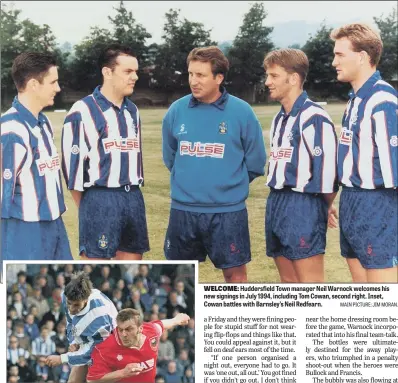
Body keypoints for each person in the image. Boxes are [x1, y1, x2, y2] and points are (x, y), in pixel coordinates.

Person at [162, 46, 267, 283]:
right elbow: (171, 157)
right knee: (180, 276)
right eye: (190, 74)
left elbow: (256, 161)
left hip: (227, 212)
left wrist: (227, 183)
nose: (193, 81)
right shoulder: (176, 111)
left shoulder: (242, 112)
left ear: (218, 78)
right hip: (183, 211)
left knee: (235, 275)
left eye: (200, 75)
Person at [61, 43, 149, 261]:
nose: (135, 77)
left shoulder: (132, 110)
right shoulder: (82, 111)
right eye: (128, 71)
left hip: (133, 196)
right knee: (95, 265)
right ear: (107, 72)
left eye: (136, 71)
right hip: (100, 196)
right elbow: (73, 174)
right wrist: (92, 208)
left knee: (133, 262)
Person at [263, 48, 339, 283]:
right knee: (288, 285)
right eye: (268, 75)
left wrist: (323, 207)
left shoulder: (315, 117)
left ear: (294, 78)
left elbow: (328, 176)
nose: (267, 82)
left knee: (310, 287)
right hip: (276, 202)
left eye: (274, 76)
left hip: (302, 204)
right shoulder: (279, 119)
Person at [330, 23, 398, 282]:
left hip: (377, 203)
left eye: (340, 55)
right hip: (351, 201)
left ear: (362, 57)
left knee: (383, 302)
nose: (334, 61)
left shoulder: (383, 101)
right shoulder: (355, 100)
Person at [0, 52, 72, 260]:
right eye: (53, 82)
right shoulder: (11, 130)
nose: (58, 89)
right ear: (33, 84)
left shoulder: (43, 122)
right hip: (24, 231)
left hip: (55, 225)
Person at [45, 271, 118, 383]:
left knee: (92, 380)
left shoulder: (100, 316)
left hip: (108, 347)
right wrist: (74, 342)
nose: (71, 309)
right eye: (69, 303)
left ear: (86, 299)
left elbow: (94, 352)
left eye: (76, 305)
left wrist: (61, 359)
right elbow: (70, 323)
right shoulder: (66, 295)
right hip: (88, 342)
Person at [86, 308, 190, 383]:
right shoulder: (105, 347)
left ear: (140, 328)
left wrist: (176, 320)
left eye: (129, 329)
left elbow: (162, 324)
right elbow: (92, 379)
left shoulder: (151, 331)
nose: (123, 334)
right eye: (120, 329)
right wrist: (122, 373)